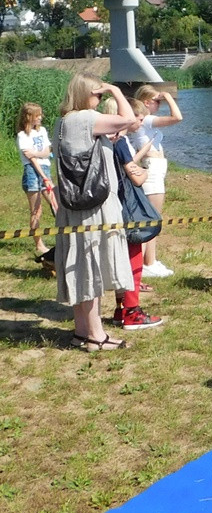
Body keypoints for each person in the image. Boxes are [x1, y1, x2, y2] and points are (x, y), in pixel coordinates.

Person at [54, 74, 136, 351]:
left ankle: (81, 331)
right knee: (91, 267)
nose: (100, 100)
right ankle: (95, 336)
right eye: (98, 94)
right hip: (95, 207)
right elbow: (130, 119)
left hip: (73, 206)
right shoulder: (86, 119)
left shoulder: (63, 122)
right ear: (84, 94)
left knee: (79, 266)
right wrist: (116, 89)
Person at [109, 98, 162, 330]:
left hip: (111, 205)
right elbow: (136, 177)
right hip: (125, 207)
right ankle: (132, 312)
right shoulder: (120, 143)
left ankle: (120, 310)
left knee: (119, 257)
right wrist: (144, 171)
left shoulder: (105, 140)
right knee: (132, 255)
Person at [130, 85, 183, 279]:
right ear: (146, 102)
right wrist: (169, 96)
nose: (159, 104)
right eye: (157, 101)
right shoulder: (148, 119)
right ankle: (146, 264)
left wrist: (162, 97)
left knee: (152, 218)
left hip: (155, 169)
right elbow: (177, 117)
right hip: (152, 171)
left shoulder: (145, 121)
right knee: (151, 219)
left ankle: (149, 261)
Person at [16, 102, 56, 255]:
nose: (41, 117)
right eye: (37, 115)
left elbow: (47, 151)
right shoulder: (22, 136)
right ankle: (39, 244)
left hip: (44, 168)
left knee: (55, 203)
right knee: (36, 211)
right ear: (29, 117)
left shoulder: (43, 131)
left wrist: (37, 154)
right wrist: (44, 176)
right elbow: (30, 159)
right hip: (32, 172)